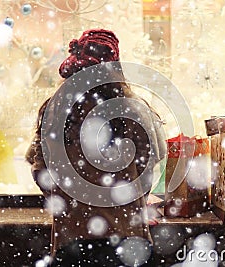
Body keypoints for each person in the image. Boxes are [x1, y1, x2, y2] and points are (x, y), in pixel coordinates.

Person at [26, 29, 166, 266]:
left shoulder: (54, 110)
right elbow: (149, 170)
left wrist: (69, 201)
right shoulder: (135, 111)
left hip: (72, 236)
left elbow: (40, 170)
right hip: (126, 236)